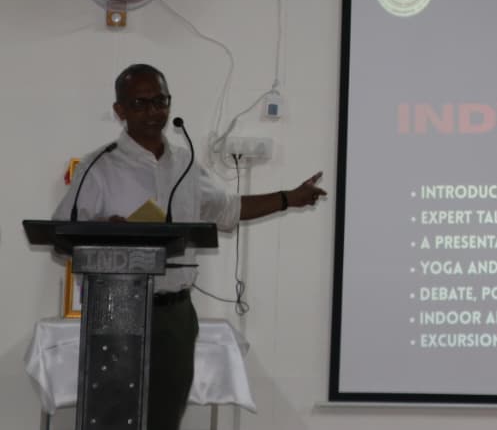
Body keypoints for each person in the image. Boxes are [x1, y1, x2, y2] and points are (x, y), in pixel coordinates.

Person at [53, 64, 326, 430]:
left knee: (165, 419)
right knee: (112, 419)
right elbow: (62, 238)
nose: (153, 112)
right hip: (116, 310)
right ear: (120, 110)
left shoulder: (184, 164)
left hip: (174, 314)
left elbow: (228, 209)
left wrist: (288, 198)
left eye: (160, 101)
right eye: (140, 104)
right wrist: (105, 231)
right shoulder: (98, 166)